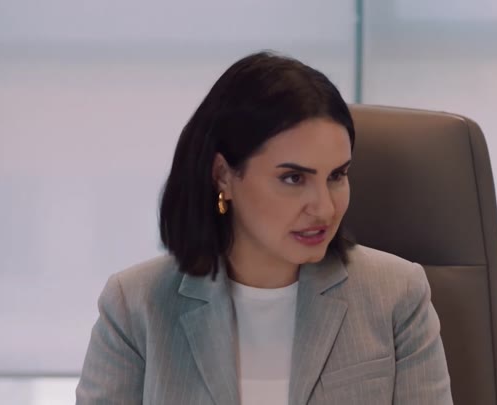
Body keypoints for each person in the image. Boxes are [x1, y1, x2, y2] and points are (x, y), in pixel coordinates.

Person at [76, 51, 453, 405]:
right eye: (293, 178)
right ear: (223, 176)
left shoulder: (396, 296)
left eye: (337, 176)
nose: (324, 207)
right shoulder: (135, 306)